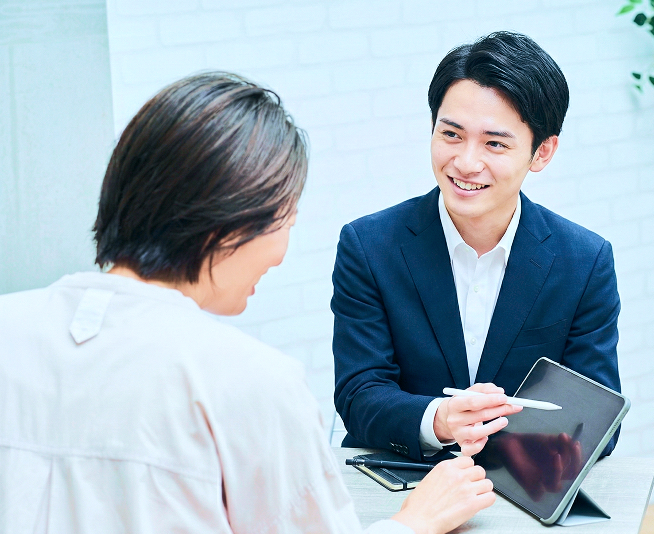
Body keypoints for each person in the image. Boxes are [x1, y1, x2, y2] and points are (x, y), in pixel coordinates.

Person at [0, 73, 495, 534]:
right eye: (287, 221)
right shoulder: (249, 383)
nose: (280, 255)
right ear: (232, 223)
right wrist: (414, 522)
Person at [332, 32, 622, 462]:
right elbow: (358, 395)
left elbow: (597, 422)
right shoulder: (369, 246)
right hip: (403, 480)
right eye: (451, 134)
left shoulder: (584, 261)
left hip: (523, 485)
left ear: (542, 152)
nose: (466, 163)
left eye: (495, 143)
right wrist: (440, 420)